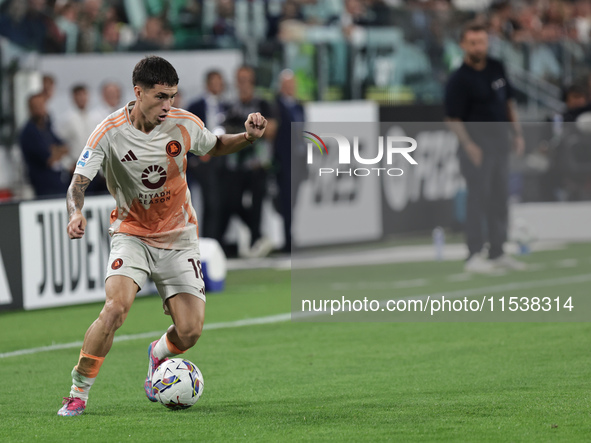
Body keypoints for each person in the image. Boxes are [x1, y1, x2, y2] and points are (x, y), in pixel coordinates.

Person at [57, 55, 267, 416]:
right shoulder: (108, 132)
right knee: (115, 309)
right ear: (138, 93)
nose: (168, 106)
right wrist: (75, 213)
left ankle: (157, 354)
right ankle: (78, 391)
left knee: (189, 332)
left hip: (179, 236)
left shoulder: (184, 123)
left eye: (172, 96)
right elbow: (78, 183)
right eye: (160, 97)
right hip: (132, 234)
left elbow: (214, 145)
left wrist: (247, 137)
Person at [444, 21, 526, 273]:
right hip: (478, 147)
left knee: (500, 199)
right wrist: (468, 145)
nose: (478, 47)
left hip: (500, 143)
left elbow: (507, 103)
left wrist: (517, 133)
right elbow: (452, 117)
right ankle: (473, 254)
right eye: (473, 43)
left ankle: (498, 251)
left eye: (481, 41)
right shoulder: (459, 79)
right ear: (463, 45)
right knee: (478, 199)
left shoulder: (496, 67)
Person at [221, 66, 277, 257]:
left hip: (257, 163)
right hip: (237, 162)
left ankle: (256, 242)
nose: (243, 83)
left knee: (257, 204)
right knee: (233, 203)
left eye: (246, 79)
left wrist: (249, 130)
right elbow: (223, 131)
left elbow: (271, 130)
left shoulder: (262, 102)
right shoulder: (232, 105)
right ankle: (258, 236)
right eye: (240, 79)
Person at [186, 70, 227, 241]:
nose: (217, 86)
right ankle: (210, 240)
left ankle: (217, 240)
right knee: (210, 203)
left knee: (222, 202)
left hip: (223, 158)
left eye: (220, 82)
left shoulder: (226, 106)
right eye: (214, 82)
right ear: (207, 84)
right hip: (204, 160)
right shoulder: (195, 106)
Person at [273, 69, 304, 252]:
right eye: (287, 84)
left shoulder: (299, 106)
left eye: (292, 84)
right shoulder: (276, 106)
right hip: (285, 160)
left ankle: (290, 236)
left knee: (293, 201)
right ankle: (287, 239)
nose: (291, 88)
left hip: (298, 160)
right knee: (285, 201)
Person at [19, 93, 70, 197]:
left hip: (58, 181)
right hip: (44, 185)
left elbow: (65, 147)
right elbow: (49, 159)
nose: (40, 109)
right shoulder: (29, 132)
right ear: (30, 109)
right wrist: (55, 151)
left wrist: (55, 150)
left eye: (41, 105)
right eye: (36, 106)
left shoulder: (46, 127)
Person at [57, 84, 103, 171]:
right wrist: (67, 165)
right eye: (79, 95)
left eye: (84, 95)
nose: (82, 98)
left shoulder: (93, 118)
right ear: (74, 97)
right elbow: (59, 143)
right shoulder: (67, 119)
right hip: (75, 166)